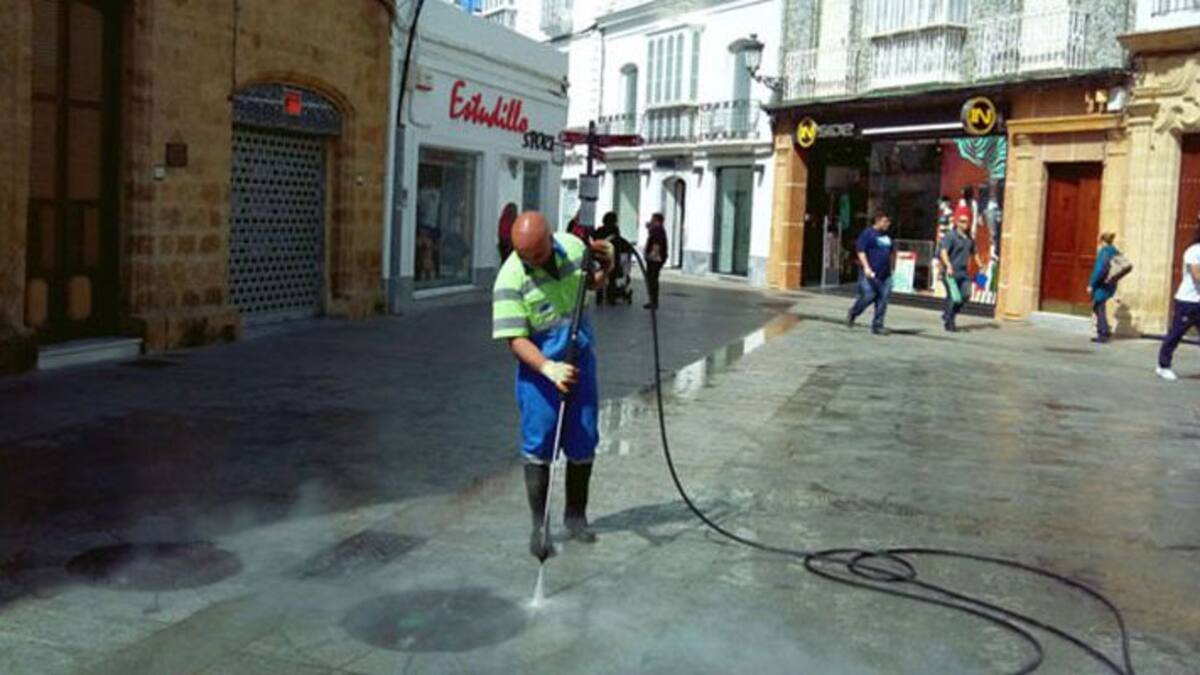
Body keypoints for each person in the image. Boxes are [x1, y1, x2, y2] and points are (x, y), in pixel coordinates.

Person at [492, 212, 613, 559]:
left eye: (538, 255)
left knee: (584, 437)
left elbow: (592, 284)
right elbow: (514, 339)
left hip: (581, 361)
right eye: (524, 257)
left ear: (550, 239)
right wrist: (549, 368)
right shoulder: (509, 279)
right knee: (539, 443)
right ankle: (539, 525)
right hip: (539, 370)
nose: (532, 262)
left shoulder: (574, 247)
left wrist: (606, 268)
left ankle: (576, 516)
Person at [1156, 227, 1200, 381]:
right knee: (1176, 334)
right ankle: (1163, 365)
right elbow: (1197, 275)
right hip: (1187, 301)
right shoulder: (1194, 251)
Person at [846, 212, 894, 335]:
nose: (888, 224)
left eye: (888, 221)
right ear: (877, 221)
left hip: (885, 274)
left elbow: (890, 252)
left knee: (883, 299)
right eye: (885, 221)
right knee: (869, 296)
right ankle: (854, 312)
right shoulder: (867, 234)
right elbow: (861, 251)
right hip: (871, 272)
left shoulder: (887, 236)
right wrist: (866, 267)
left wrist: (892, 268)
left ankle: (877, 325)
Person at [939, 207, 985, 332]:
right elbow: (943, 252)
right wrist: (948, 265)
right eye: (962, 221)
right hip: (951, 272)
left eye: (967, 221)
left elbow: (974, 253)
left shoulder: (969, 239)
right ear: (957, 222)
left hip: (963, 273)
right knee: (954, 297)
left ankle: (948, 314)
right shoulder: (951, 236)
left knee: (966, 294)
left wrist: (980, 265)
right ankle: (950, 322)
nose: (965, 224)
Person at [1087, 233, 1120, 344]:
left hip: (1101, 284)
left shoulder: (1104, 252)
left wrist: (1091, 284)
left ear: (1102, 241)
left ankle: (1103, 332)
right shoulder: (1114, 251)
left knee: (1099, 307)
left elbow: (1099, 270)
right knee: (1099, 306)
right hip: (1110, 283)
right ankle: (1104, 330)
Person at [593, 212, 621, 305]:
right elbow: (617, 244)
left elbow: (595, 241)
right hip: (612, 256)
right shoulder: (615, 230)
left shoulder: (599, 230)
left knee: (600, 277)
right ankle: (611, 298)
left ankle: (599, 298)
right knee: (612, 279)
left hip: (601, 256)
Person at [643, 213, 668, 309]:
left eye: (653, 220)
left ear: (657, 221)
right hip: (655, 258)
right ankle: (652, 300)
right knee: (652, 280)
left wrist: (651, 255)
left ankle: (653, 301)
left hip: (655, 259)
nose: (651, 221)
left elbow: (656, 245)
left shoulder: (658, 231)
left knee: (652, 279)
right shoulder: (657, 230)